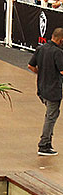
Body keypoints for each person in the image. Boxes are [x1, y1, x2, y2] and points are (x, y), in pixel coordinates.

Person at [28, 27, 63, 156]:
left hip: (42, 88)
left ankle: (46, 142)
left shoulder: (41, 48)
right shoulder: (57, 52)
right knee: (51, 117)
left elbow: (31, 65)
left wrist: (41, 73)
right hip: (53, 90)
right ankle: (44, 144)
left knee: (50, 115)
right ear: (61, 40)